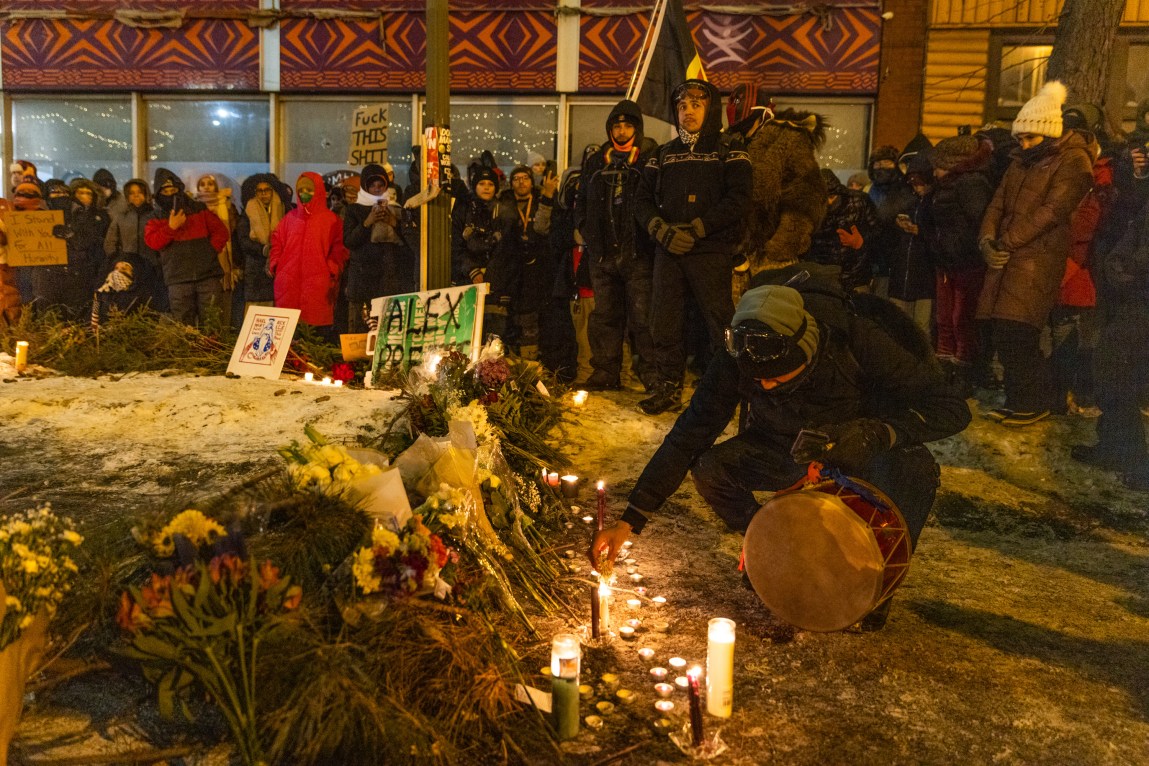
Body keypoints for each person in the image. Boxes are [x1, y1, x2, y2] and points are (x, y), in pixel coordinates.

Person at [589, 270, 971, 629]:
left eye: (777, 377)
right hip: (783, 444)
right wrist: (630, 521)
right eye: (758, 381)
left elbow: (951, 408)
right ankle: (774, 553)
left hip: (858, 448)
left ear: (807, 351)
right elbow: (690, 434)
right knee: (711, 468)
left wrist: (880, 432)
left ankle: (870, 587)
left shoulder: (856, 338)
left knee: (914, 470)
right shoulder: (739, 355)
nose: (765, 387)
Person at [977, 81, 1093, 427]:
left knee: (1020, 331)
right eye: (1021, 138)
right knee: (1002, 330)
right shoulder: (1020, 162)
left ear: (1048, 132)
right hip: (1008, 258)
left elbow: (1051, 211)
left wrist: (1005, 242)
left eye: (1030, 138)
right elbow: (996, 204)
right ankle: (1019, 400)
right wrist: (986, 240)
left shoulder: (1072, 162)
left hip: (1036, 260)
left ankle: (1032, 401)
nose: (1023, 144)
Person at [635, 78, 753, 415]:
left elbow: (740, 198)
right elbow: (641, 201)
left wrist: (702, 226)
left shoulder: (729, 149)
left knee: (718, 322)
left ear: (710, 108)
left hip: (711, 250)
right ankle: (668, 387)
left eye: (696, 105)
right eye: (683, 106)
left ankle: (725, 391)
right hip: (669, 249)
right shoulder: (662, 154)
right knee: (664, 322)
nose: (688, 111)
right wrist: (660, 230)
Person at [578, 99, 659, 392]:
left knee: (643, 317)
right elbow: (582, 203)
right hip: (602, 255)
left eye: (628, 125)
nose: (622, 131)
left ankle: (650, 372)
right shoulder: (597, 161)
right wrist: (587, 232)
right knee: (605, 317)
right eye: (617, 125)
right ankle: (606, 371)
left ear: (637, 128)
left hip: (639, 255)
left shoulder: (651, 157)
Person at [726, 84, 827, 292]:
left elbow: (806, 195)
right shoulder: (730, 142)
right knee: (735, 320)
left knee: (769, 317)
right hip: (735, 256)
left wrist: (781, 246)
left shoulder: (788, 139)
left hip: (771, 258)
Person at [922, 134, 994, 394]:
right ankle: (944, 372)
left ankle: (962, 375)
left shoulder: (971, 184)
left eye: (939, 164)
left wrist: (960, 248)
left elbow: (979, 222)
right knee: (944, 320)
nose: (934, 169)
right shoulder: (945, 186)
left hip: (965, 263)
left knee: (961, 320)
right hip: (946, 262)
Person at [144, 168, 230, 326]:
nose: (170, 194)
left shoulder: (198, 209)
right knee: (183, 328)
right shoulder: (155, 217)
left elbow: (221, 232)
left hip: (207, 275)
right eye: (166, 191)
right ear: (158, 193)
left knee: (212, 323)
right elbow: (152, 242)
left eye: (174, 190)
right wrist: (171, 227)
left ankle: (211, 350)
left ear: (180, 189)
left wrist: (209, 251)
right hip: (178, 279)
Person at [269, 172, 348, 341]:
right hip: (288, 288)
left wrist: (331, 269)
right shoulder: (289, 219)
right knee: (288, 341)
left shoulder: (331, 220)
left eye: (309, 189)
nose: (304, 193)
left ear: (318, 190)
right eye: (301, 189)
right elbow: (276, 241)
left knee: (317, 339)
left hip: (318, 288)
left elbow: (340, 248)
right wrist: (276, 264)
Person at [491, 164, 558, 356]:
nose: (521, 182)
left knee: (531, 320)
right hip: (509, 271)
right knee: (507, 321)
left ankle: (531, 364)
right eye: (516, 178)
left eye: (525, 178)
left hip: (536, 270)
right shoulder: (503, 204)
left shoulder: (540, 200)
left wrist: (547, 196)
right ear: (511, 184)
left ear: (532, 181)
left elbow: (541, 229)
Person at [344, 163, 409, 332]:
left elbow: (407, 243)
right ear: (365, 186)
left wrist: (393, 222)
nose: (376, 189)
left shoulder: (395, 208)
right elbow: (349, 241)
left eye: (380, 185)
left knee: (386, 332)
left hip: (388, 280)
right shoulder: (354, 209)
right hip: (361, 281)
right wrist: (368, 222)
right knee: (359, 333)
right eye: (372, 185)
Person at [807, 169, 878, 292]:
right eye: (824, 198)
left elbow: (879, 232)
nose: (828, 202)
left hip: (856, 278)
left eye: (832, 197)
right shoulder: (809, 208)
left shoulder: (859, 201)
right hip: (821, 278)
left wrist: (861, 242)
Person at [103, 178, 166, 312]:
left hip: (151, 268)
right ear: (127, 196)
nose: (136, 195)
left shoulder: (156, 215)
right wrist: (117, 260)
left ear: (146, 194)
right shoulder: (121, 217)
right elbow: (110, 241)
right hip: (127, 268)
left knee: (149, 303)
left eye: (140, 192)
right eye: (132, 193)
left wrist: (159, 261)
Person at [238, 173, 291, 314]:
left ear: (273, 191)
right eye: (259, 191)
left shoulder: (285, 210)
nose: (263, 194)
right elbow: (243, 240)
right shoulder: (248, 212)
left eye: (266, 190)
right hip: (256, 270)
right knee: (256, 313)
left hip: (280, 266)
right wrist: (263, 249)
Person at [194, 174, 243, 327]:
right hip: (201, 257)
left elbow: (233, 233)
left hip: (224, 255)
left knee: (224, 300)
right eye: (203, 184)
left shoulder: (227, 205)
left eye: (210, 184)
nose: (206, 187)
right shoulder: (193, 207)